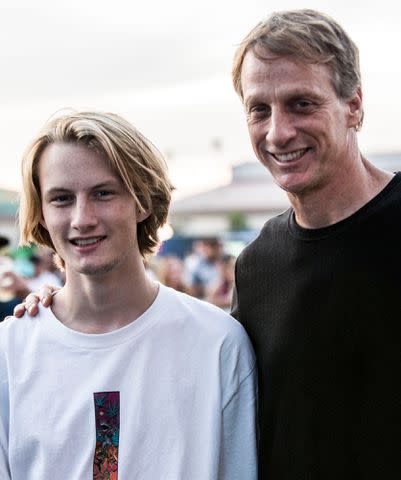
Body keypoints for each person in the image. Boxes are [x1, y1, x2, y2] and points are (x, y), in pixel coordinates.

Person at [0, 111, 257, 479]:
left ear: (143, 201)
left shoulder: (217, 344)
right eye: (61, 199)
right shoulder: (10, 353)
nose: (82, 218)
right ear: (40, 212)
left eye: (103, 193)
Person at [230, 9, 400, 479]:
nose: (278, 132)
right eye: (259, 109)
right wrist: (64, 310)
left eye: (301, 104)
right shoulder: (257, 266)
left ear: (354, 106)